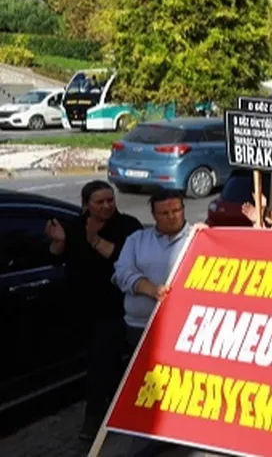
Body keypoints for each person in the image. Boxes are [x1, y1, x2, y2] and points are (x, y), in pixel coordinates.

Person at [46, 181, 144, 441]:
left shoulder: (128, 226)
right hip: (81, 306)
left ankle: (97, 418)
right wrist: (58, 243)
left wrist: (94, 239)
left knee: (104, 362)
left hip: (113, 307)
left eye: (110, 200)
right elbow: (56, 257)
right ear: (86, 204)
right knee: (98, 363)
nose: (106, 206)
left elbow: (121, 259)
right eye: (99, 202)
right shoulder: (74, 225)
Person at [112, 190, 192, 347]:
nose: (171, 216)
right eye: (164, 213)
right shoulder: (137, 239)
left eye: (176, 210)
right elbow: (121, 274)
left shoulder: (198, 237)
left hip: (183, 325)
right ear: (154, 215)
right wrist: (152, 290)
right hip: (140, 326)